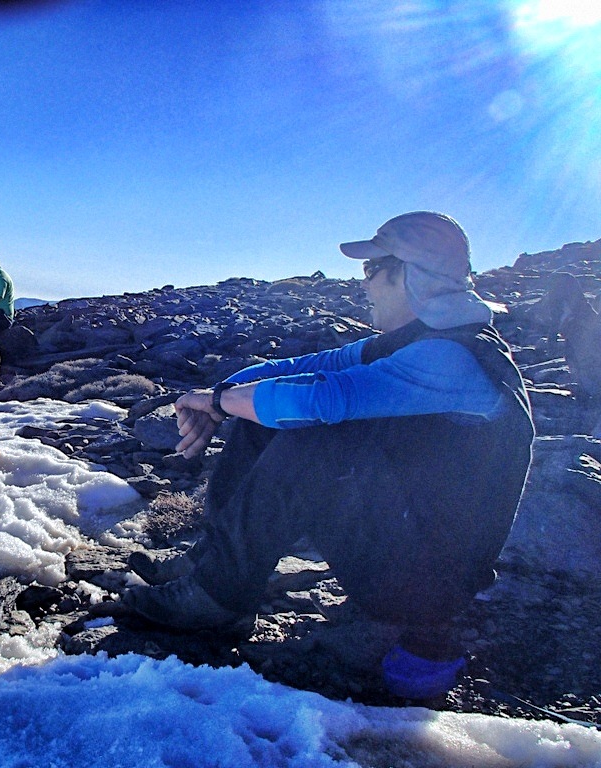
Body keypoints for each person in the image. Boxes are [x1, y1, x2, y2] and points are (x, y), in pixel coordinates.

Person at [123, 211, 534, 700]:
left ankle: (217, 596)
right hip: (406, 542)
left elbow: (316, 400)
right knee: (266, 413)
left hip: (425, 586)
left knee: (313, 432)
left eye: (369, 270)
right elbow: (304, 368)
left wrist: (216, 405)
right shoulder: (419, 341)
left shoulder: (450, 357)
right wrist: (220, 395)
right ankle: (213, 566)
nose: (364, 285)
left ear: (407, 273)